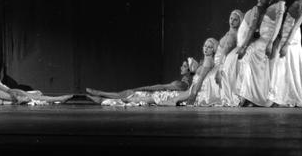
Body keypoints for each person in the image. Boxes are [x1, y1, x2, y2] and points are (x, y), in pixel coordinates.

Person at [88, 38, 219, 107]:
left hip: (168, 94)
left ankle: (102, 97)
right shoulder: (201, 67)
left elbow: (161, 87)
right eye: (205, 46)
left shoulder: (183, 83)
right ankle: (102, 97)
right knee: (130, 97)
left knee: (131, 96)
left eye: (209, 47)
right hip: (174, 94)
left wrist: (141, 88)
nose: (206, 48)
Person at [235, 0, 281, 107]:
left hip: (245, 44)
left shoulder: (257, 9)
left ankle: (247, 96)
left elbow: (252, 28)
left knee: (249, 60)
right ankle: (249, 96)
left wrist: (243, 47)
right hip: (245, 42)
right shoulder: (260, 10)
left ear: (270, 1)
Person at [0, 52, 75, 105]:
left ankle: (56, 99)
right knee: (31, 96)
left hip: (4, 93)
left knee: (34, 94)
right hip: (2, 94)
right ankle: (58, 98)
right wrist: (15, 94)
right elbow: (0, 87)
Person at [195, 10, 243, 106]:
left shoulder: (233, 35)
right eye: (231, 18)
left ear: (240, 21)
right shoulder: (229, 33)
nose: (232, 21)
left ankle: (193, 94)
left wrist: (219, 70)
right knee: (199, 71)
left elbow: (224, 54)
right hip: (215, 60)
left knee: (201, 76)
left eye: (235, 20)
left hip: (219, 63)